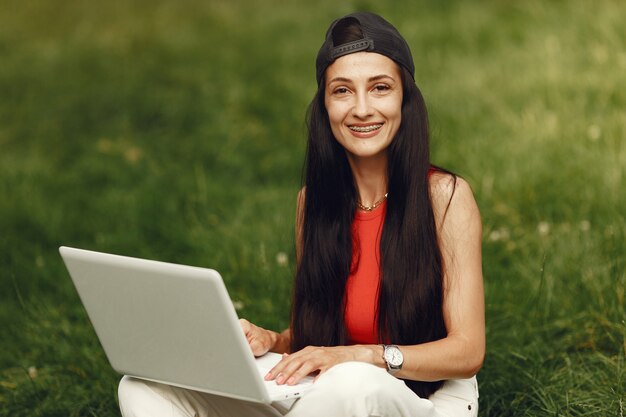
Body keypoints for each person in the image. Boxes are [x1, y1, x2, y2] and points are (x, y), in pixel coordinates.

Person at [118, 11, 484, 417]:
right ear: (325, 106)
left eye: (380, 88)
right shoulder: (313, 203)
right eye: (342, 91)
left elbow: (467, 351)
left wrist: (366, 357)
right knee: (146, 385)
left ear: (405, 99)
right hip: (330, 395)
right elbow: (314, 338)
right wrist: (270, 341)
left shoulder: (445, 197)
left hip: (426, 400)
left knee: (350, 382)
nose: (362, 109)